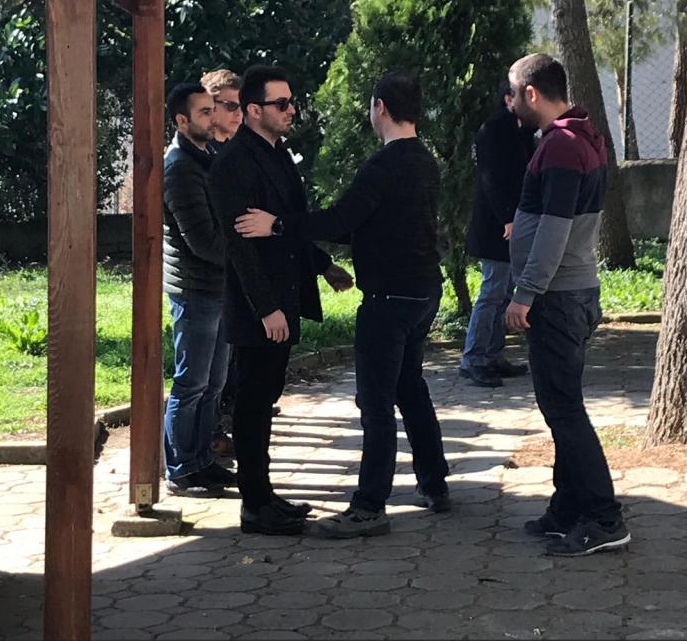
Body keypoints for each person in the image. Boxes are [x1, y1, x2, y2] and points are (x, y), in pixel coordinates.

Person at [236, 73, 450, 538]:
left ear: (380, 108)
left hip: (388, 299)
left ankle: (369, 506)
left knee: (376, 403)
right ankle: (434, 482)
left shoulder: (384, 165)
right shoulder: (424, 160)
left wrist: (277, 225)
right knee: (410, 388)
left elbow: (340, 220)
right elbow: (379, 226)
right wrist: (324, 261)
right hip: (423, 292)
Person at [209, 65, 354, 536]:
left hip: (285, 296)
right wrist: (266, 308)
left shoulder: (277, 154)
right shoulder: (233, 164)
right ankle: (254, 505)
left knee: (266, 397)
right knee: (253, 402)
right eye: (282, 103)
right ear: (254, 110)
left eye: (292, 102)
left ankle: (265, 496)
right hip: (260, 306)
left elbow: (289, 224)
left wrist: (322, 265)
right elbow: (240, 247)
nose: (292, 110)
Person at [504, 53, 629, 557]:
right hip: (570, 291)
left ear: (532, 93)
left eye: (513, 93)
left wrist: (525, 292)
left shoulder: (560, 145)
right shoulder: (579, 136)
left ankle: (604, 517)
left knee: (564, 409)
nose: (510, 103)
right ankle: (568, 507)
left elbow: (555, 229)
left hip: (556, 297)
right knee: (561, 406)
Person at [161, 82, 237, 494]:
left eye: (213, 109)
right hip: (195, 291)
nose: (213, 117)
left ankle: (202, 460)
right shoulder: (179, 168)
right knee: (191, 383)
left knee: (213, 384)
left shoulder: (209, 157)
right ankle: (180, 467)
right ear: (181, 120)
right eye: (204, 112)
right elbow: (203, 242)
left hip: (218, 288)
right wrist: (245, 253)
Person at [460, 81, 535, 388]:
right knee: (492, 291)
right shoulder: (494, 129)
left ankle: (493, 355)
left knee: (503, 293)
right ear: (508, 99)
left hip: (515, 221)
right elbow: (491, 178)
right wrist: (507, 217)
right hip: (497, 226)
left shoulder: (523, 130)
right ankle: (474, 358)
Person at [200, 68, 244, 459]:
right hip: (204, 277)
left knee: (222, 369)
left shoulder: (233, 150)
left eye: (240, 106)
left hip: (232, 275)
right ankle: (203, 441)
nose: (237, 113)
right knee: (200, 375)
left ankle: (217, 429)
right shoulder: (201, 154)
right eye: (228, 105)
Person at [201, 68, 243, 149]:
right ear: (210, 105)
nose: (239, 113)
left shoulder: (237, 149)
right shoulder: (197, 149)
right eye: (231, 105)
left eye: (242, 106)